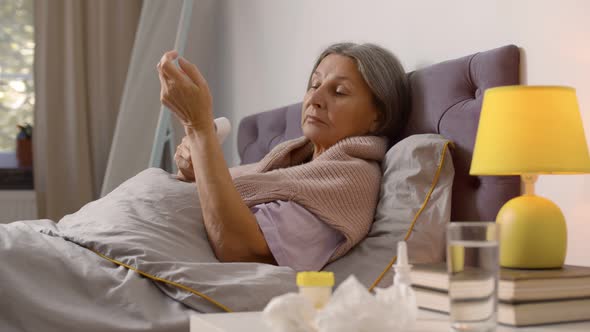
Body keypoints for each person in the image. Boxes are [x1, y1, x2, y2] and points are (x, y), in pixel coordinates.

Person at [157, 42, 410, 271]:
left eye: (340, 91)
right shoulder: (290, 162)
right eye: (314, 84)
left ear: (378, 117)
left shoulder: (351, 180)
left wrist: (199, 127)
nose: (316, 99)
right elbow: (221, 196)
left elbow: (240, 249)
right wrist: (196, 169)